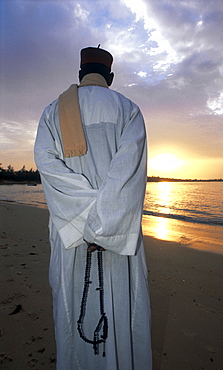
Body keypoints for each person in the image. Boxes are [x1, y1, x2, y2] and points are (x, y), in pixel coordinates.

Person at [34, 46, 152, 370]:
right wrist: (101, 223)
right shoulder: (129, 111)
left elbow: (47, 165)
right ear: (110, 78)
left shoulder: (51, 113)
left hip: (71, 233)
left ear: (80, 75)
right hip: (118, 236)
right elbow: (129, 174)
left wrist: (85, 221)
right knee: (122, 321)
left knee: (73, 317)